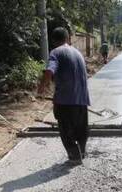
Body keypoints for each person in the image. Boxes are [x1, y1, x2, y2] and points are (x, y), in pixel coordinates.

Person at [38, 27, 91, 164]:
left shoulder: (56, 52)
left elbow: (49, 70)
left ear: (54, 41)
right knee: (81, 129)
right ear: (68, 38)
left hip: (65, 101)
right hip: (82, 100)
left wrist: (42, 88)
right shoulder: (78, 53)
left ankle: (74, 157)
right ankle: (82, 152)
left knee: (66, 131)